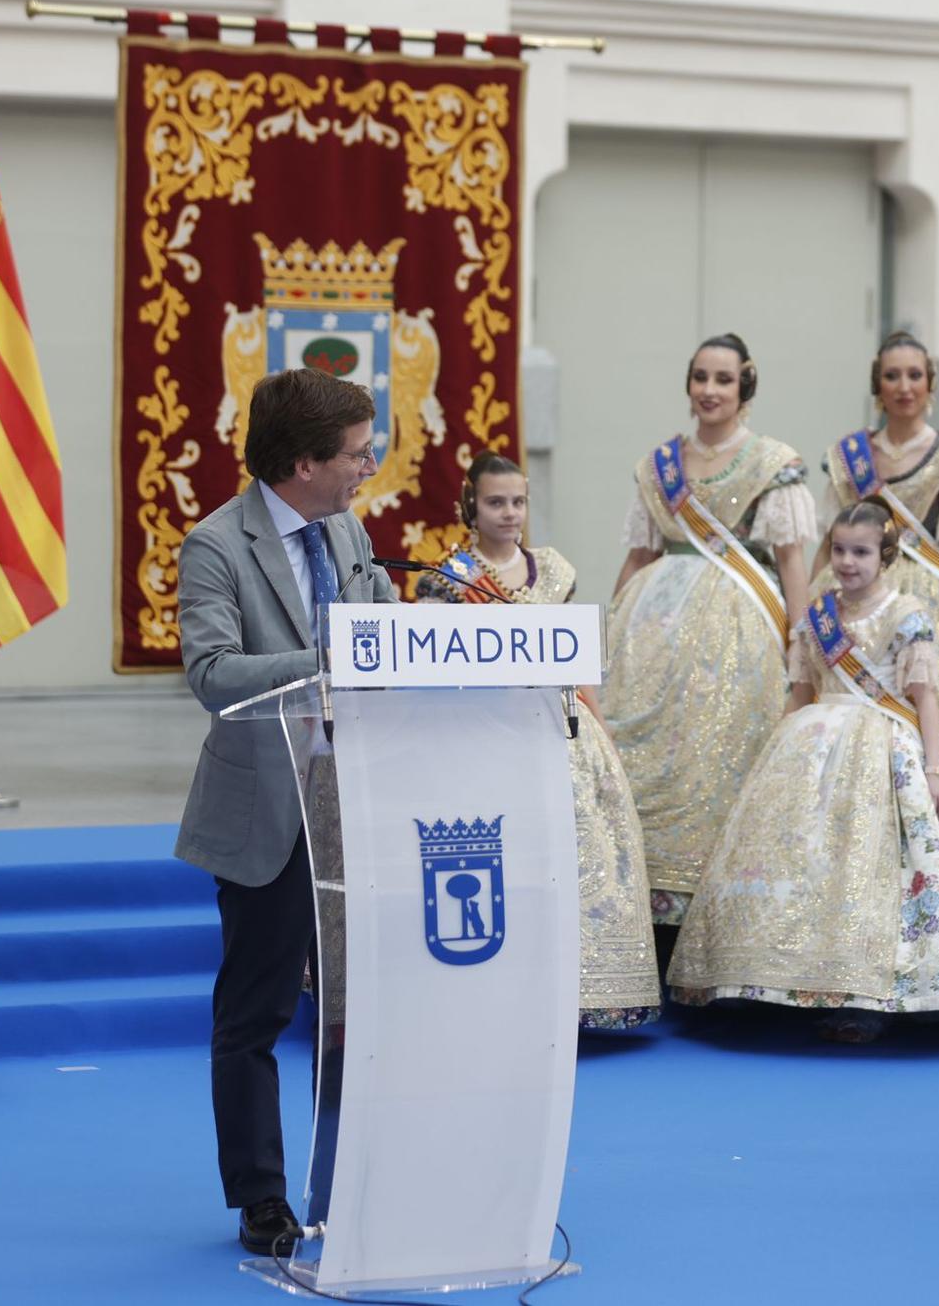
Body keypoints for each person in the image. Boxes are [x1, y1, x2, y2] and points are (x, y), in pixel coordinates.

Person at [175, 365, 397, 1255]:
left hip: (358, 805)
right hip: (265, 808)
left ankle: (363, 1172)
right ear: (303, 463)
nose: (368, 464)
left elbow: (382, 631)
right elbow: (211, 673)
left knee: (364, 1008)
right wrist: (324, 664)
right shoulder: (217, 545)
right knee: (256, 1013)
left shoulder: (348, 533)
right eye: (354, 453)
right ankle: (262, 1194)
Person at [667, 497, 939, 1042]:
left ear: (886, 555)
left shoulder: (907, 615)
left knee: (869, 865)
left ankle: (869, 994)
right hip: (813, 745)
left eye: (861, 552)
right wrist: (773, 757)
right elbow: (802, 691)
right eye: (838, 551)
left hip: (885, 748)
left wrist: (934, 770)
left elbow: (923, 700)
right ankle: (773, 981)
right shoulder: (817, 616)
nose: (848, 562)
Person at [417, 452, 663, 1028]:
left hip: (563, 730)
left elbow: (576, 662)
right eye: (496, 502)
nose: (509, 514)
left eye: (518, 502)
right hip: (488, 737)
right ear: (469, 505)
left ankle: (591, 992)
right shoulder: (447, 579)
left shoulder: (555, 571)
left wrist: (600, 729)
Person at [605, 333, 815, 934]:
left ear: (744, 385)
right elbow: (639, 554)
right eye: (700, 377)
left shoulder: (774, 463)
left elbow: (792, 561)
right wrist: (611, 630)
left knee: (724, 754)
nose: (709, 391)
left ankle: (715, 920)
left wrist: (800, 643)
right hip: (652, 630)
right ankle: (645, 911)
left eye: (723, 379)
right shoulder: (659, 465)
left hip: (740, 631)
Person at [815, 331, 939, 736]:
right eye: (892, 376)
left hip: (927, 601)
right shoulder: (849, 458)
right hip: (851, 596)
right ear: (877, 385)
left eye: (914, 375)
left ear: (930, 382)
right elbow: (829, 543)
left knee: (932, 704)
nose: (904, 386)